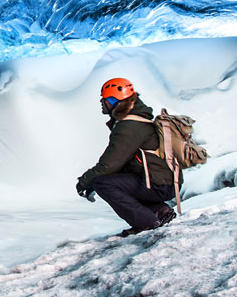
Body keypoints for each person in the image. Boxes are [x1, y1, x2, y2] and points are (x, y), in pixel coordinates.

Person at [75, 77, 178, 236]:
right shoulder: (135, 120)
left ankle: (147, 223)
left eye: (104, 99)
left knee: (103, 183)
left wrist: (84, 182)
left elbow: (110, 164)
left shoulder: (130, 125)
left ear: (113, 100)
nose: (102, 102)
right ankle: (160, 211)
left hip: (158, 184)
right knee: (116, 179)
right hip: (162, 181)